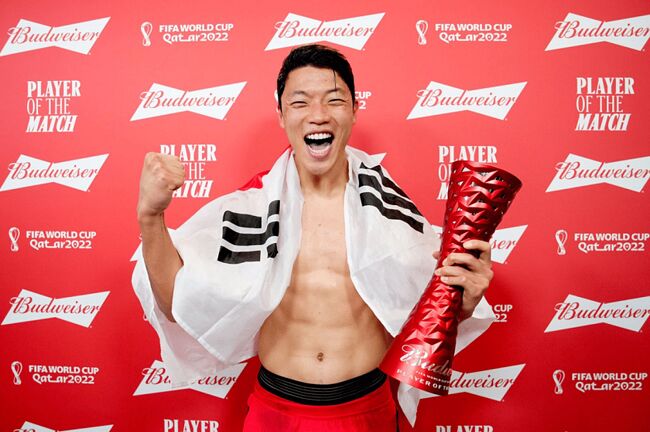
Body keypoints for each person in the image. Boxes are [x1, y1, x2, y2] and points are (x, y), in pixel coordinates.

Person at [134, 44, 494, 431]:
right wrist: (150, 217)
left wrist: (463, 303)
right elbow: (174, 304)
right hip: (276, 413)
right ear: (281, 114)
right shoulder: (251, 208)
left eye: (334, 100)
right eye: (300, 102)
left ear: (354, 111)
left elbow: (428, 313)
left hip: (366, 412)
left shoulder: (390, 211)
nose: (318, 114)